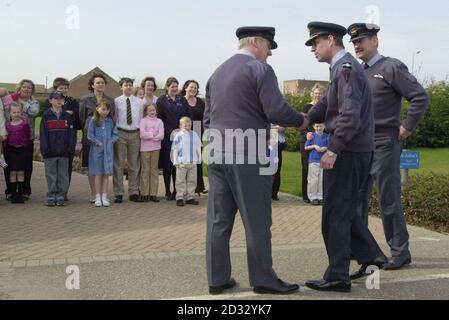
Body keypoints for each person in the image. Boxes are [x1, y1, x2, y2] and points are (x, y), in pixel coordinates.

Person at [204, 26, 307, 295]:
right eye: (269, 47)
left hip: (216, 152)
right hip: (248, 153)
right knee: (257, 219)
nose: (270, 54)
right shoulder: (260, 70)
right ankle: (263, 279)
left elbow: (207, 118)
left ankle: (217, 279)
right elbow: (276, 110)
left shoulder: (216, 73)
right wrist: (302, 120)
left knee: (218, 221)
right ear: (256, 42)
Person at [303, 22, 388, 292]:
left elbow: (348, 115)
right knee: (345, 209)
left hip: (349, 151)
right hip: (355, 149)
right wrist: (303, 119)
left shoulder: (346, 69)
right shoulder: (341, 67)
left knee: (335, 214)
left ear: (330, 40)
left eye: (315, 43)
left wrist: (333, 149)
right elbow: (328, 104)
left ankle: (338, 276)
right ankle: (371, 255)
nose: (313, 49)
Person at [348, 23, 429, 270]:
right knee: (358, 200)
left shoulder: (391, 67)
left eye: (361, 40)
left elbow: (419, 96)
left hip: (384, 142)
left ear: (375, 41)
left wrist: (407, 126)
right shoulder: (358, 72)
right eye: (354, 42)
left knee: (388, 199)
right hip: (361, 145)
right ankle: (363, 250)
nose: (357, 45)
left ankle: (400, 252)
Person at [0, 80, 40, 200]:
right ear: (19, 88)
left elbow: (34, 112)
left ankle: (24, 191)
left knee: (26, 166)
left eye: (29, 88)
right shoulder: (10, 99)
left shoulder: (34, 102)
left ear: (32, 90)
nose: (26, 89)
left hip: (27, 140)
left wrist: (20, 102)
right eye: (24, 87)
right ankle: (11, 191)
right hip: (10, 139)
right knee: (10, 167)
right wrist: (7, 93)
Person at [79, 73, 116, 203]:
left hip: (106, 136)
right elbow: (82, 118)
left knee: (104, 166)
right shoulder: (85, 99)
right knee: (92, 165)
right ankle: (94, 193)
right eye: (98, 82)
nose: (100, 84)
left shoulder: (110, 100)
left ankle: (103, 194)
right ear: (92, 85)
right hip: (91, 135)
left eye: (102, 82)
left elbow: (113, 117)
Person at [157, 77, 193, 201]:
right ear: (167, 87)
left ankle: (177, 191)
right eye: (172, 86)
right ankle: (167, 190)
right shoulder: (161, 101)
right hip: (168, 137)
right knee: (168, 164)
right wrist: (170, 131)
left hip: (181, 136)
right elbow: (159, 118)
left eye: (176, 86)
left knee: (178, 164)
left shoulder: (182, 100)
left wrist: (182, 130)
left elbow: (188, 116)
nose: (174, 88)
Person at [45, 78, 81, 200]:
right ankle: (53, 193)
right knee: (53, 169)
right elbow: (47, 116)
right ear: (56, 90)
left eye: (65, 88)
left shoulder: (73, 101)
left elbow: (78, 118)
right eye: (61, 88)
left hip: (68, 136)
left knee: (66, 168)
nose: (64, 90)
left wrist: (72, 115)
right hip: (53, 138)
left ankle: (63, 193)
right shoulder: (50, 103)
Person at [40, 92, 75, 207]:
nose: (59, 101)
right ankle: (51, 196)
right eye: (56, 99)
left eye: (61, 99)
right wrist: (45, 150)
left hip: (64, 153)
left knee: (63, 176)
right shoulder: (46, 116)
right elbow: (43, 135)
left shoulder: (67, 116)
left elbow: (71, 134)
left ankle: (60, 196)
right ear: (50, 101)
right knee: (51, 175)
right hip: (50, 153)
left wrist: (70, 148)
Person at [113, 78, 145, 203]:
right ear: (121, 87)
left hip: (135, 133)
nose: (128, 87)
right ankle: (118, 192)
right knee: (119, 164)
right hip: (121, 132)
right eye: (126, 85)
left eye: (130, 85)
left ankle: (133, 192)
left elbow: (141, 118)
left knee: (134, 164)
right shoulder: (116, 101)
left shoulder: (139, 102)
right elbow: (114, 116)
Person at [87, 100, 118, 207]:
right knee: (98, 174)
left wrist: (111, 141)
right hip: (97, 151)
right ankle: (97, 196)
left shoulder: (111, 121)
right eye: (103, 109)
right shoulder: (93, 121)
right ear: (97, 109)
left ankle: (104, 196)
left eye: (107, 109)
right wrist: (98, 143)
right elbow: (90, 135)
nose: (105, 111)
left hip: (108, 151)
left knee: (106, 174)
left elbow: (115, 133)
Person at [181, 80, 208, 196]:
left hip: (198, 130)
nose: (193, 89)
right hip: (185, 131)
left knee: (197, 159)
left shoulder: (200, 102)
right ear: (186, 88)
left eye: (195, 88)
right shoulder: (181, 101)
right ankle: (185, 187)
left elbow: (206, 116)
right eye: (191, 87)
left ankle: (199, 186)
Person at [300, 84, 325, 203]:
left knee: (321, 170)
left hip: (321, 140)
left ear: (323, 95)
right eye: (316, 93)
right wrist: (306, 134)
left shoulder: (326, 107)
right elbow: (301, 122)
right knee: (306, 166)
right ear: (312, 94)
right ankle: (307, 195)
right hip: (308, 139)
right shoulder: (307, 107)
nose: (317, 95)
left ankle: (319, 195)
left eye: (319, 93)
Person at [172, 117, 202, 207]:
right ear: (180, 126)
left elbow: (198, 147)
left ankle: (190, 197)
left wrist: (200, 157)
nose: (188, 127)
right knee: (180, 180)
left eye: (189, 125)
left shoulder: (194, 135)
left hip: (192, 162)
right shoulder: (178, 136)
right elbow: (175, 149)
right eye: (185, 125)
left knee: (192, 180)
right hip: (181, 162)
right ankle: (180, 197)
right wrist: (175, 160)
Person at [5, 103, 30, 204]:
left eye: (18, 112)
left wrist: (25, 147)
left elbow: (27, 136)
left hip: (22, 151)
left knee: (20, 172)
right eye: (14, 112)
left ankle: (20, 194)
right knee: (13, 172)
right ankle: (13, 194)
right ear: (10, 113)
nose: (16, 114)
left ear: (21, 112)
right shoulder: (7, 125)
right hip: (11, 151)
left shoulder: (25, 124)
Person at [139, 103, 164, 203]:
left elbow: (161, 135)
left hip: (156, 148)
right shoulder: (143, 121)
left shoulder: (159, 121)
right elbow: (142, 134)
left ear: (156, 111)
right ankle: (145, 193)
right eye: (150, 110)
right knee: (145, 170)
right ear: (146, 111)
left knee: (154, 171)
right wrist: (153, 134)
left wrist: (150, 135)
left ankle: (153, 193)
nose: (152, 112)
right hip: (145, 149)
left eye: (153, 110)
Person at [304, 123, 328, 205]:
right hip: (314, 160)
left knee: (321, 179)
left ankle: (320, 196)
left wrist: (326, 148)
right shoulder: (311, 136)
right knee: (313, 179)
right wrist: (314, 146)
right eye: (317, 126)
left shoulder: (327, 136)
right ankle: (313, 197)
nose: (319, 128)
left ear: (324, 126)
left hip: (323, 160)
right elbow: (306, 147)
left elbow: (330, 147)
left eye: (321, 126)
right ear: (314, 127)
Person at [270, 124, 286, 201]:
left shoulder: (280, 117)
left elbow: (282, 128)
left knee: (276, 169)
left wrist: (271, 128)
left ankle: (274, 193)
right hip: (266, 144)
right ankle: (266, 192)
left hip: (278, 146)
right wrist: (275, 128)